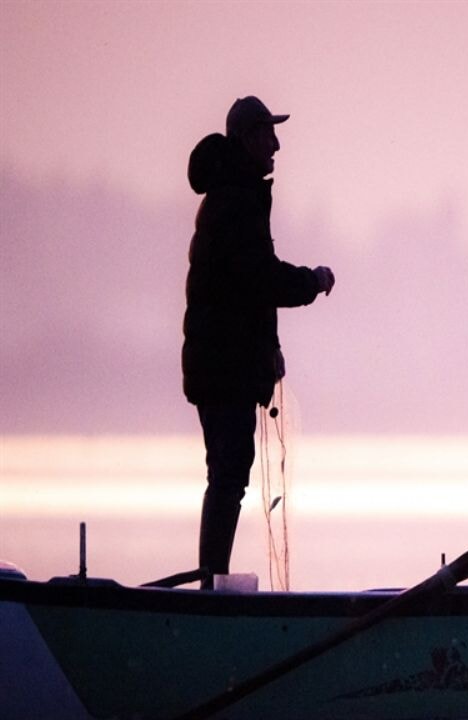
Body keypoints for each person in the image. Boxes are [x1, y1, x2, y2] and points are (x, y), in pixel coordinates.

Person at [182, 96, 335, 588]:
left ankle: (211, 583)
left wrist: (269, 349)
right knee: (228, 473)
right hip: (220, 366)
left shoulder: (237, 195)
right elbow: (259, 279)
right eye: (268, 134)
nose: (277, 144)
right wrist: (311, 281)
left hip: (221, 362)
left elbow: (244, 292)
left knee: (227, 472)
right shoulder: (235, 201)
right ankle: (211, 586)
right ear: (248, 139)